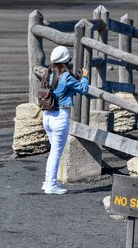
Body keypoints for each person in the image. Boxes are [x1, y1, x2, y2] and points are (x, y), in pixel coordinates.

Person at [42, 45, 89, 195]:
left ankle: (47, 181)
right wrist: (85, 77)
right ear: (65, 61)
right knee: (56, 153)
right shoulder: (66, 76)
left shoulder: (47, 74)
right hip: (60, 117)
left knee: (53, 151)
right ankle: (51, 185)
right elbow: (83, 89)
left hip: (47, 116)